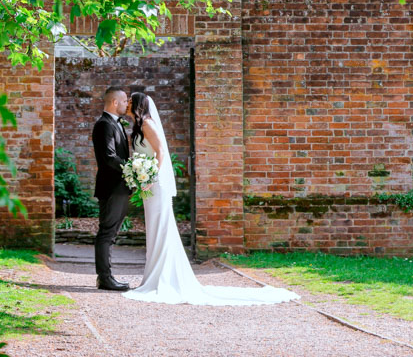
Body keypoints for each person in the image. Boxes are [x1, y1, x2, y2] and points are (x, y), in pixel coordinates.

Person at [122, 92, 299, 305]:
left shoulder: (148, 124)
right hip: (148, 185)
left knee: (160, 227)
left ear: (138, 105)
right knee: (154, 228)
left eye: (130, 101)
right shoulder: (138, 127)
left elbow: (161, 152)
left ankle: (162, 278)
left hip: (155, 184)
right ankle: (154, 276)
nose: (127, 104)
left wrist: (150, 176)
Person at [91, 86, 131, 291]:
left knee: (110, 233)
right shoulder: (104, 125)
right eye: (124, 101)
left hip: (119, 187)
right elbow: (109, 158)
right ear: (115, 102)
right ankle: (105, 278)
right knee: (107, 233)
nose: (127, 104)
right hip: (112, 188)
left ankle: (106, 277)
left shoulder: (115, 124)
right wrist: (132, 169)